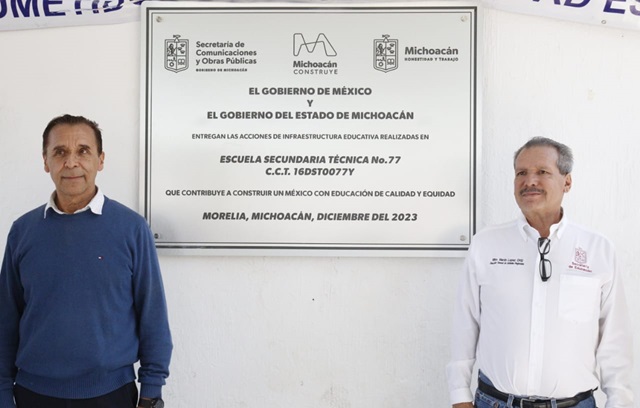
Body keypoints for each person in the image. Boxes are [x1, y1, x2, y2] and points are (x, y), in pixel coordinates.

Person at [0, 114, 172, 408]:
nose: (71, 162)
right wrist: (3, 393)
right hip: (33, 395)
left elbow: (152, 315)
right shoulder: (22, 231)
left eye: (83, 151)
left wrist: (151, 393)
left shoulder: (132, 229)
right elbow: (6, 319)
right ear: (45, 161)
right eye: (60, 152)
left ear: (100, 160)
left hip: (111, 395)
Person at [447, 137, 633, 408]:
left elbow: (615, 339)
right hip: (495, 402)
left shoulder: (598, 249)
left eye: (542, 172)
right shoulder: (486, 244)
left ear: (567, 182)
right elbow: (465, 324)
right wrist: (459, 395)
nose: (529, 181)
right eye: (521, 173)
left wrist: (619, 402)